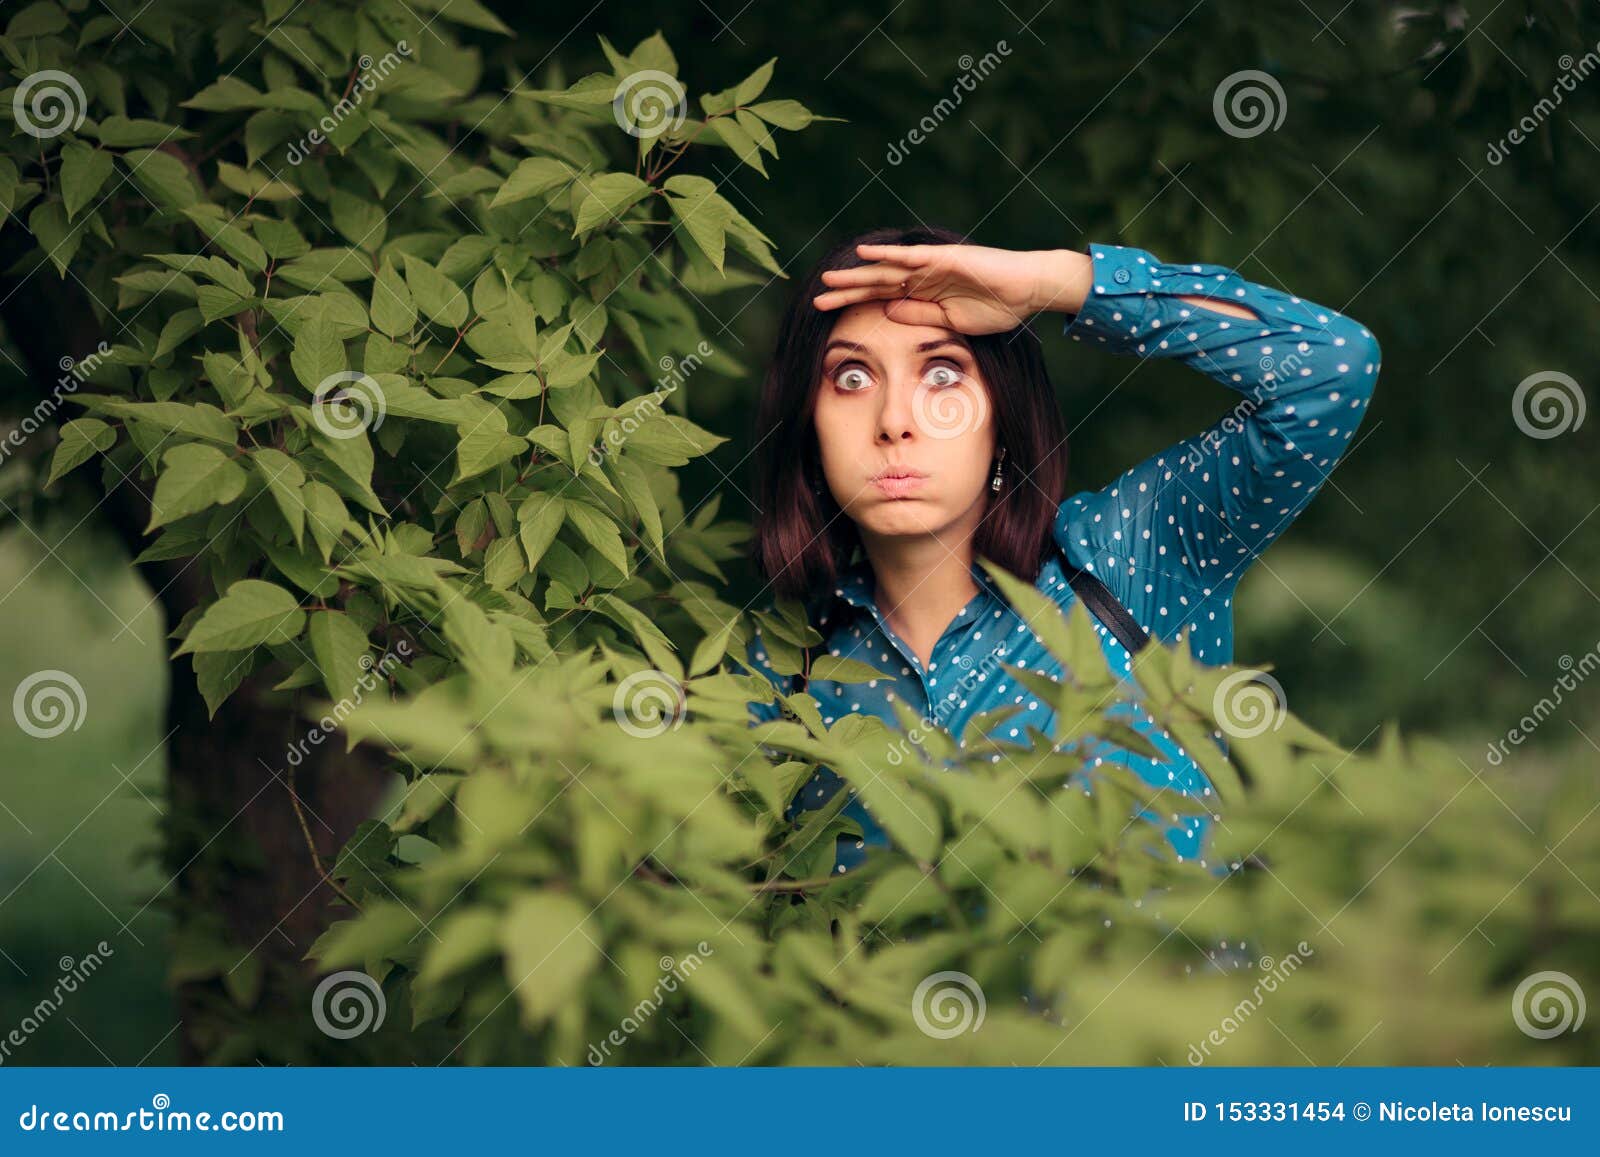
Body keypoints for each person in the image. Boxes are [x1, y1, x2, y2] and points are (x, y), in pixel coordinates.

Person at [734, 224, 1381, 878]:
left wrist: (1059, 284)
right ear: (807, 425)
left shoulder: (1128, 560)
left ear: (1003, 416)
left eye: (941, 373)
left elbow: (1331, 364)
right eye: (851, 376)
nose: (895, 420)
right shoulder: (781, 674)